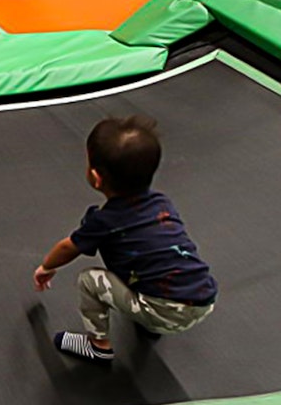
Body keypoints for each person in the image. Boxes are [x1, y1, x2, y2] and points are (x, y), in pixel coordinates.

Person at [33, 115, 217, 365]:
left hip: (166, 312)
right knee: (142, 254)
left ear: (96, 177)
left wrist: (46, 267)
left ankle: (98, 346)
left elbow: (68, 247)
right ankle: (153, 319)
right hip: (204, 298)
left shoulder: (104, 221)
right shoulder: (162, 204)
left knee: (90, 280)